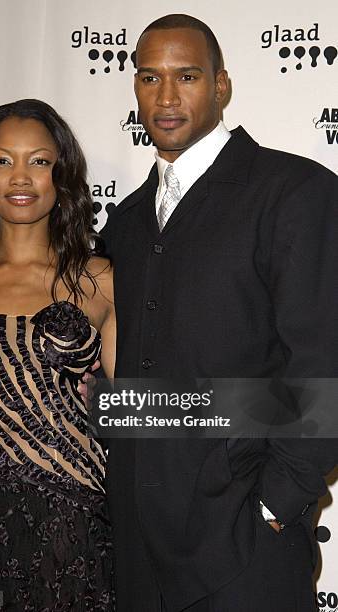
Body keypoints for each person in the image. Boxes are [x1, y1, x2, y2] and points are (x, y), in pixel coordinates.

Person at [99, 14, 338, 612]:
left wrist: (276, 504)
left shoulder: (294, 192)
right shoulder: (124, 224)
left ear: (222, 86)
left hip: (245, 548)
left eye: (187, 77)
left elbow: (321, 363)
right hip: (136, 551)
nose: (167, 97)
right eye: (149, 78)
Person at [0, 99, 115, 611]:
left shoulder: (99, 281)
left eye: (39, 161)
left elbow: (137, 412)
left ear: (62, 175)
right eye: (2, 160)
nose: (20, 177)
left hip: (70, 525)